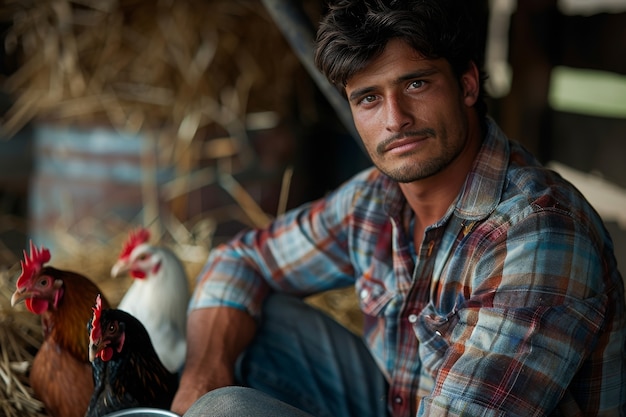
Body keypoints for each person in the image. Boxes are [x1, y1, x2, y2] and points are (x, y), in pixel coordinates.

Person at [171, 0, 626, 416]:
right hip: (396, 404)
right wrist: (201, 379)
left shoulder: (538, 233)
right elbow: (240, 258)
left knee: (226, 412)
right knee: (240, 328)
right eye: (368, 98)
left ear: (467, 84)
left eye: (416, 83)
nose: (395, 118)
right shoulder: (374, 197)